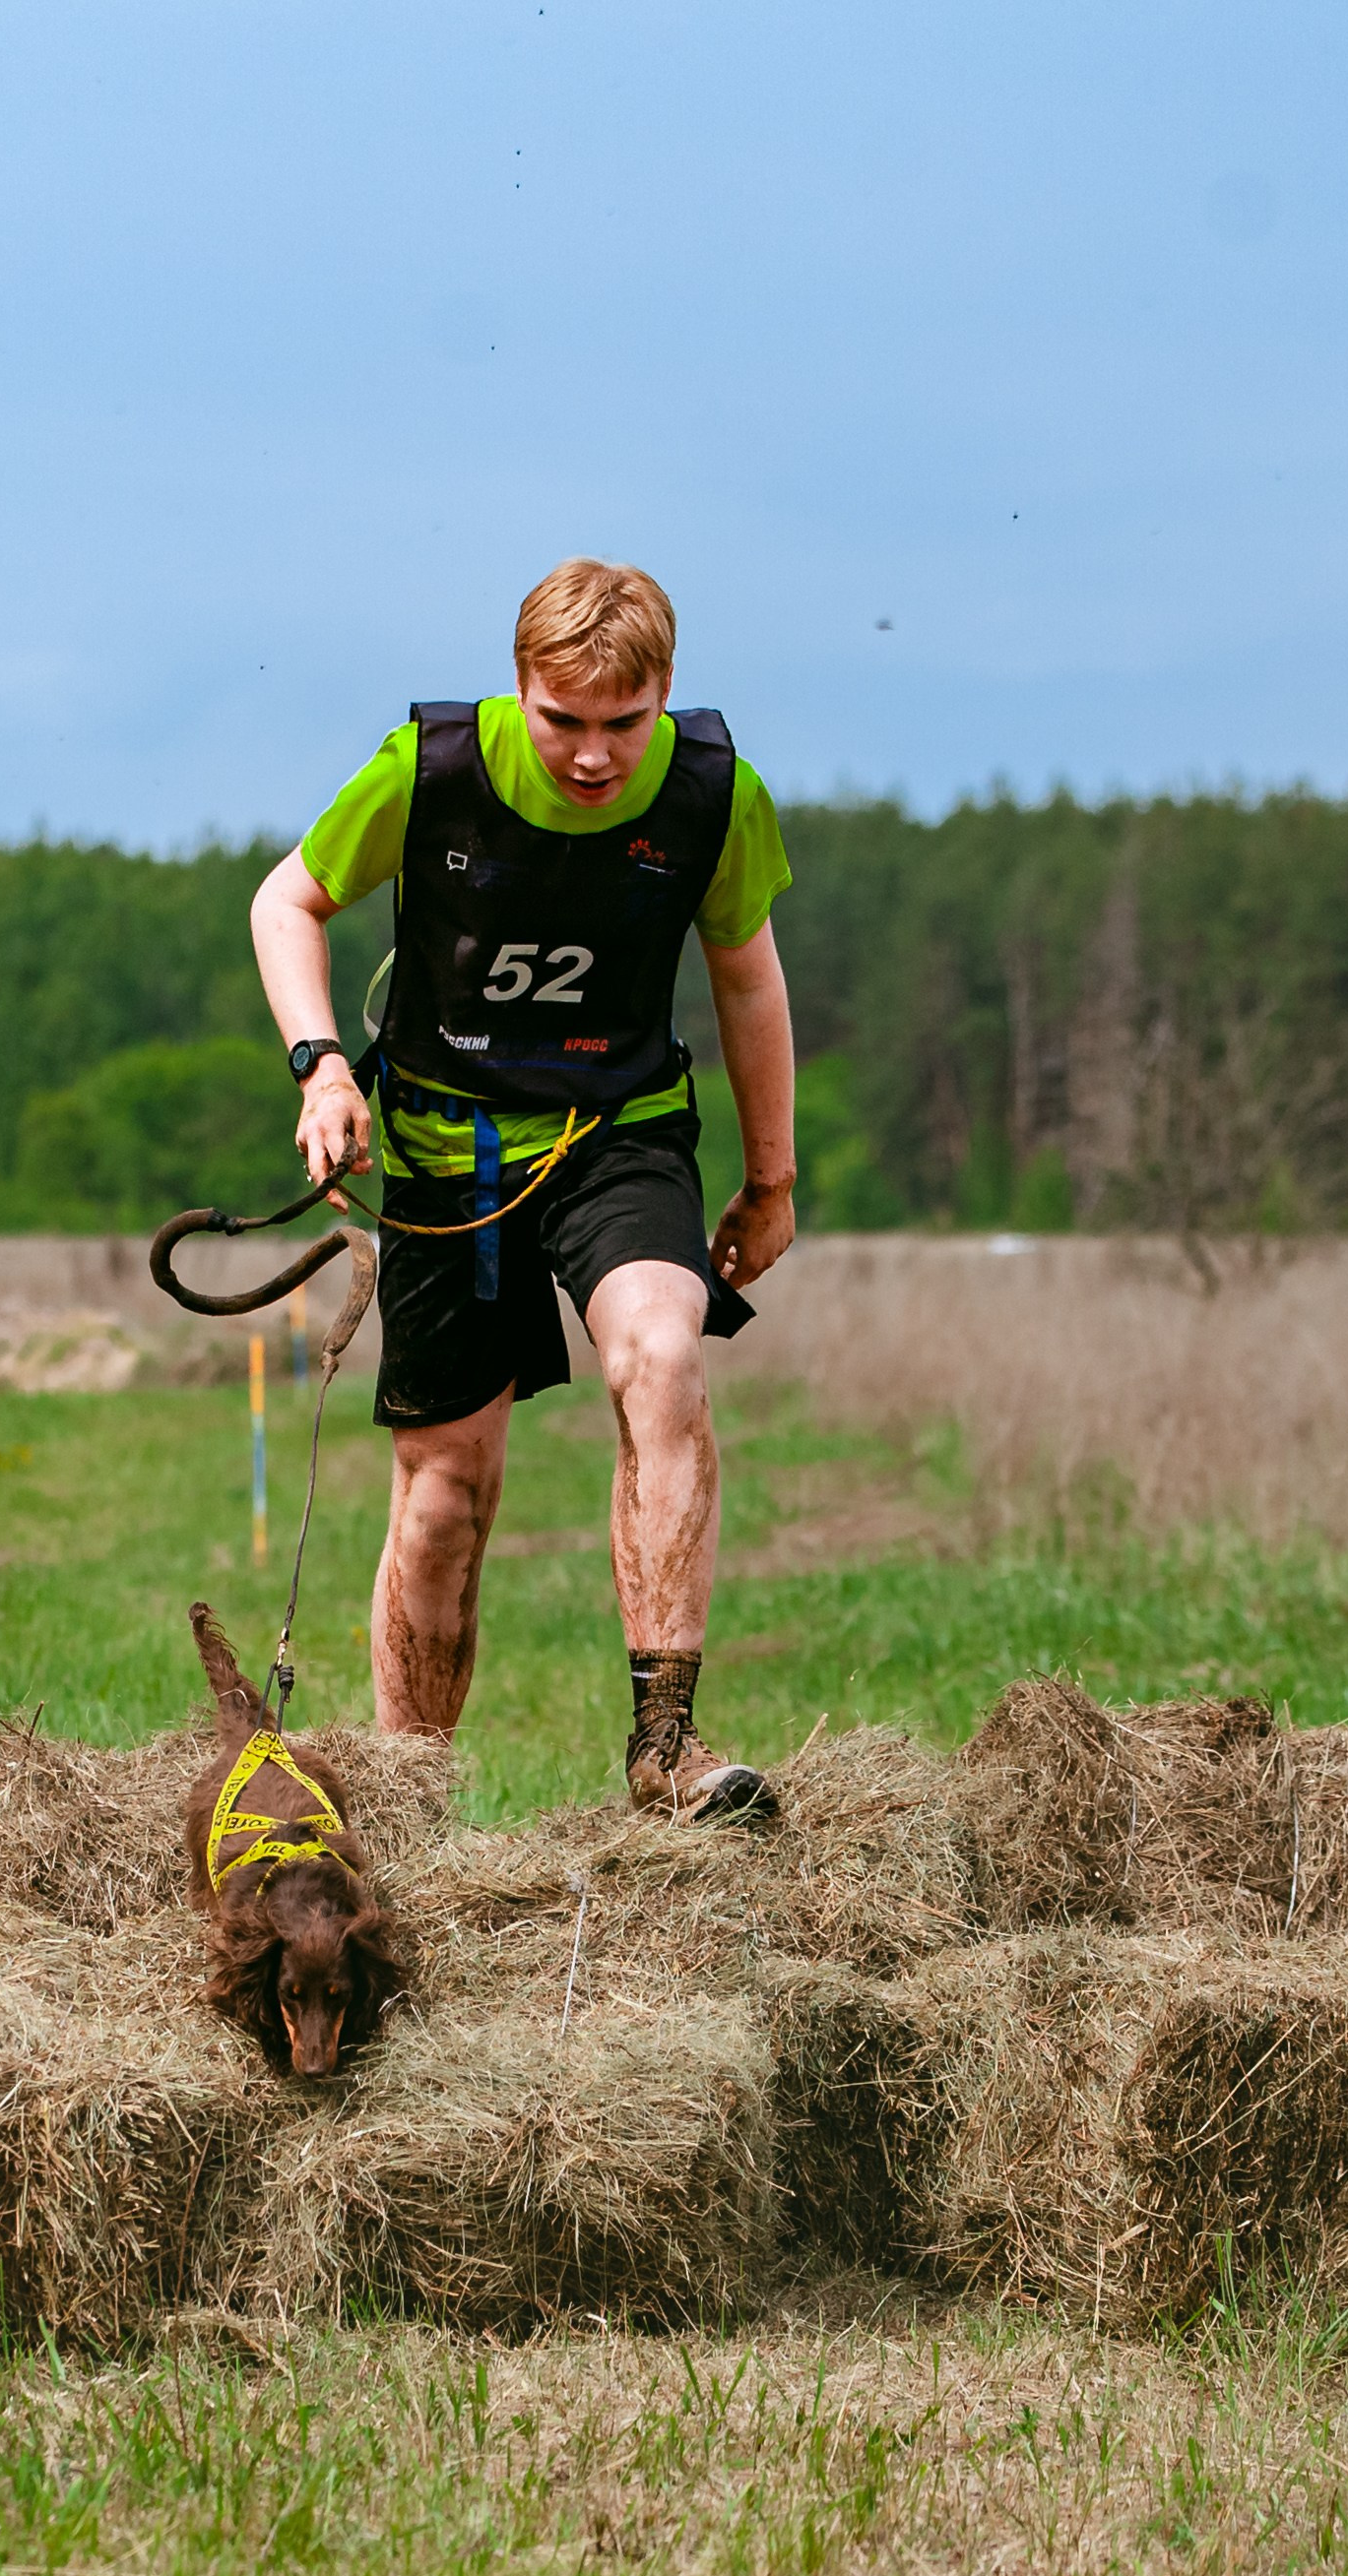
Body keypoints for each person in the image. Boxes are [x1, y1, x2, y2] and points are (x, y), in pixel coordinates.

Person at [249, 557, 798, 1816]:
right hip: (451, 1152)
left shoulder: (717, 794)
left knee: (662, 1351)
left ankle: (666, 1749)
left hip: (620, 1130)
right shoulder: (430, 769)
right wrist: (321, 1068)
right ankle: (412, 1800)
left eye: (625, 721)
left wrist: (770, 1177)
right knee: (446, 1496)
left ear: (666, 690)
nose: (594, 755)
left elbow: (747, 976)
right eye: (564, 721)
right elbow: (287, 901)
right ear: (519, 687)